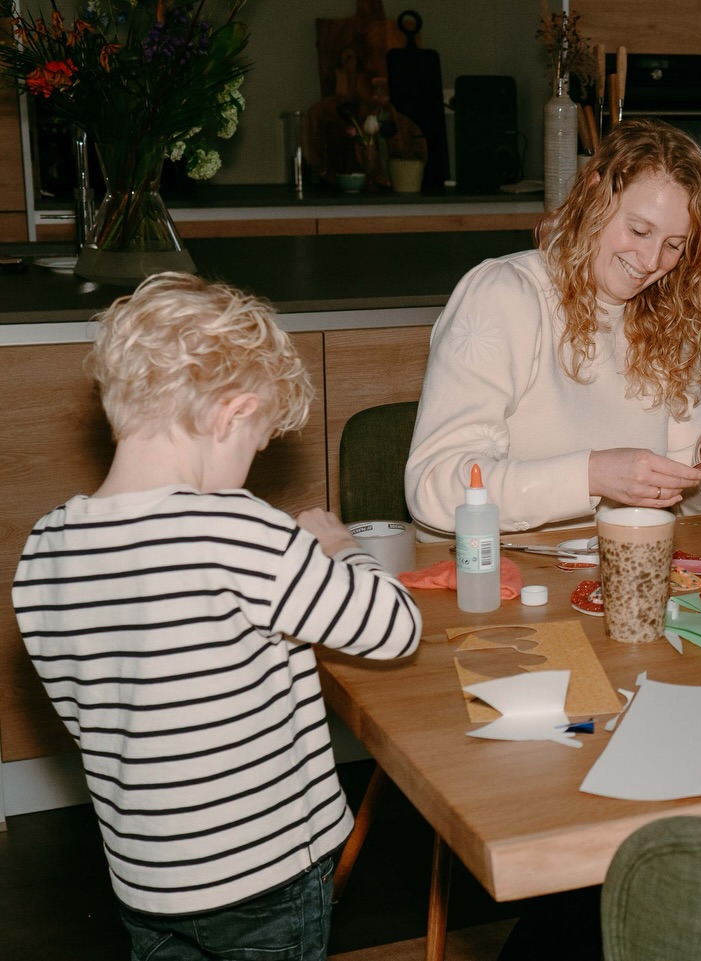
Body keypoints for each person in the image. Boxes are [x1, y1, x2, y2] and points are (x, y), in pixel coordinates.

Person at [11, 273, 422, 961]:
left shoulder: (44, 549)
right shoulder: (235, 528)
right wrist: (343, 546)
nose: (249, 469)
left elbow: (94, 716)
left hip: (146, 879)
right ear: (232, 414)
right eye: (254, 444)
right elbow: (394, 623)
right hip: (266, 873)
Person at [406, 119, 701, 534]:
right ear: (595, 192)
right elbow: (434, 488)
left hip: (618, 568)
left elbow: (691, 511)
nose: (649, 261)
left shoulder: (669, 316)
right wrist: (590, 475)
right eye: (639, 230)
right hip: (500, 576)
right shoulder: (506, 294)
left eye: (673, 246)